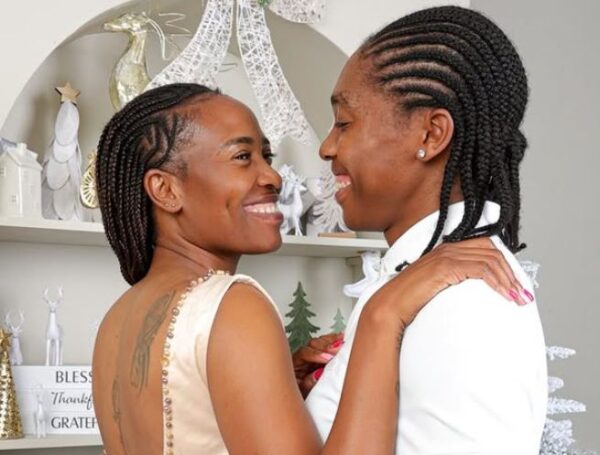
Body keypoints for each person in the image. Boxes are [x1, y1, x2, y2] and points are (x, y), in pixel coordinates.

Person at [92, 82, 524, 454]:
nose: (273, 177)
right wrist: (383, 313)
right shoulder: (231, 306)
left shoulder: (115, 322)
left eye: (266, 155)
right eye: (242, 157)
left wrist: (281, 389)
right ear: (165, 189)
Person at [305, 5, 548, 454]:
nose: (327, 147)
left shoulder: (467, 302)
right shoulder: (416, 284)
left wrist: (382, 314)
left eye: (344, 123)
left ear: (431, 135)